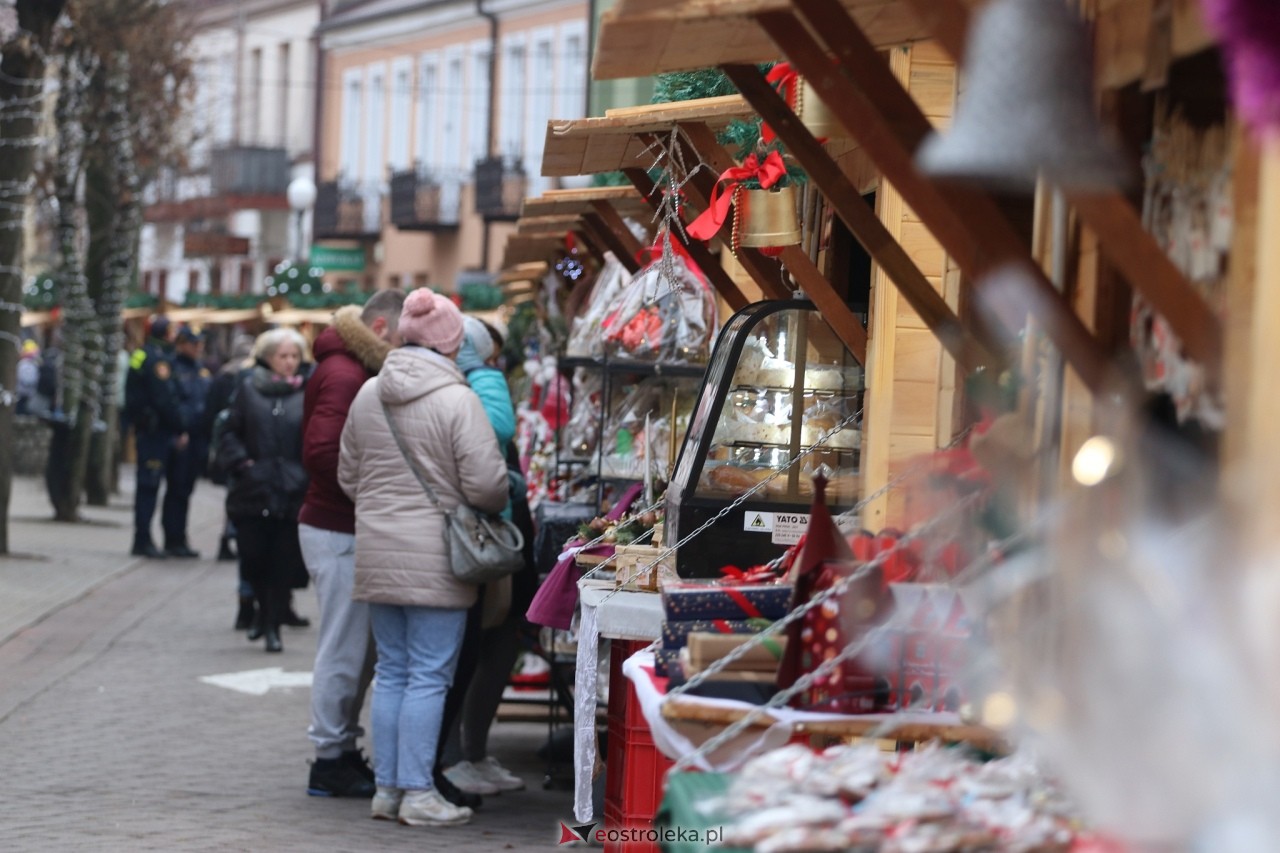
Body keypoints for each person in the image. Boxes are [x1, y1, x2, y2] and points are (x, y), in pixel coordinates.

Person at [338, 290, 508, 827]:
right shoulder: (457, 400)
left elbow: (348, 475)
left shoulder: (368, 393)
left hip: (377, 551)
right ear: (452, 342)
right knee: (430, 676)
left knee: (391, 671)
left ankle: (387, 790)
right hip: (437, 555)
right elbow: (487, 487)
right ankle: (417, 792)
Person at [298, 290, 405, 800]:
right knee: (343, 647)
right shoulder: (345, 372)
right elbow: (321, 451)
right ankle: (329, 757)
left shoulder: (346, 366)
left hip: (342, 523)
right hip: (338, 525)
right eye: (402, 336)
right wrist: (371, 494)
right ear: (380, 326)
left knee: (353, 648)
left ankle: (339, 749)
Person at [441, 318, 528, 796]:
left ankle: (461, 754)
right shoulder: (475, 383)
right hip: (476, 529)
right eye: (490, 353)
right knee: (463, 649)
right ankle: (452, 758)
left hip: (472, 528)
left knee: (476, 644)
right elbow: (497, 431)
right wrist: (510, 486)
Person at [217, 328, 311, 653]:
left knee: (282, 562)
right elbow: (228, 432)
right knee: (253, 557)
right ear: (268, 358)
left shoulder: (306, 393)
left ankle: (272, 624)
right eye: (283, 356)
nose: (289, 363)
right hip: (253, 491)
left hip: (291, 491)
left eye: (294, 356)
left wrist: (304, 472)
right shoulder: (247, 390)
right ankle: (260, 610)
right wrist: (243, 464)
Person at [125, 316, 190, 558]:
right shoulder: (157, 360)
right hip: (156, 433)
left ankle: (145, 538)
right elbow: (164, 398)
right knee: (149, 487)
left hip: (148, 430)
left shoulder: (141, 354)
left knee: (148, 487)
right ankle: (143, 540)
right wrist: (180, 426)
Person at [162, 325, 213, 558]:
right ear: (181, 344)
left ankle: (180, 537)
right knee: (176, 490)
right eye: (194, 344)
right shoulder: (172, 367)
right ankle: (172, 538)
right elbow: (172, 403)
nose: (198, 348)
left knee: (186, 490)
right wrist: (179, 430)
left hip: (197, 439)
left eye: (200, 344)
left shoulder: (200, 371)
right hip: (180, 438)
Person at [16, 340, 40, 416]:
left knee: (20, 408)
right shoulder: (33, 364)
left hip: (21, 391)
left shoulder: (23, 363)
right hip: (27, 392)